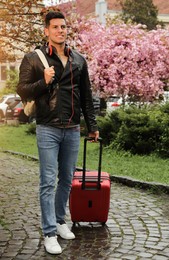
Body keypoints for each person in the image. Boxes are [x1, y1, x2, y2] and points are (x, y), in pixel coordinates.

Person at [17, 11, 99, 255]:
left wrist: (92, 126)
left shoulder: (79, 60)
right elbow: (22, 90)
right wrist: (43, 81)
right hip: (48, 128)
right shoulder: (33, 58)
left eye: (63, 27)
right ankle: (49, 233)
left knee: (66, 179)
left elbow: (86, 96)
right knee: (47, 182)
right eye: (55, 27)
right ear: (46, 31)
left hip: (72, 129)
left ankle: (60, 220)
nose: (60, 31)